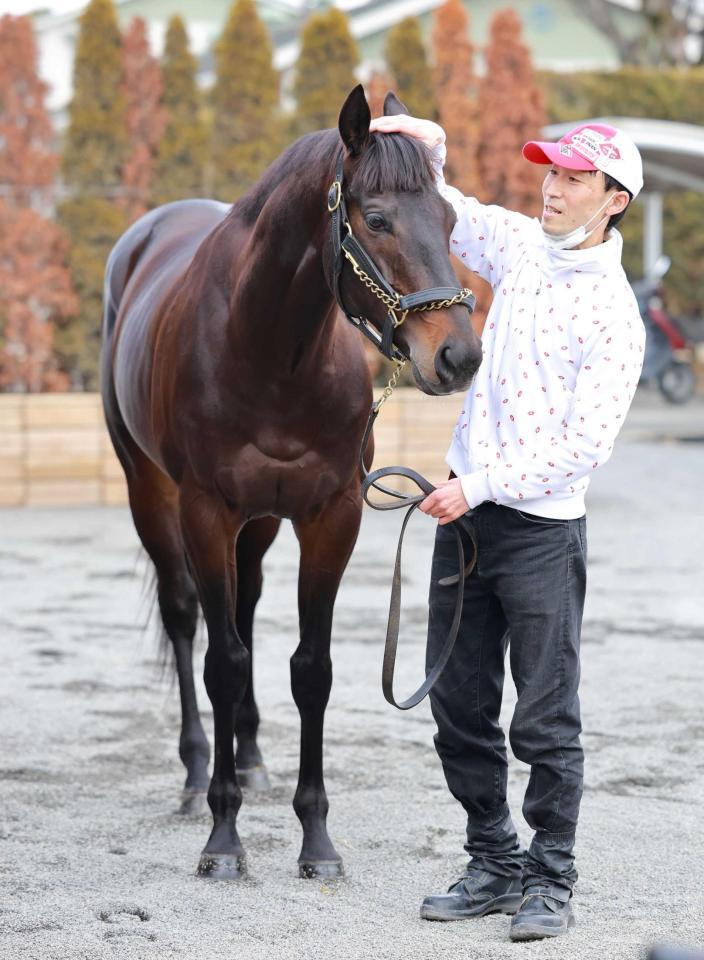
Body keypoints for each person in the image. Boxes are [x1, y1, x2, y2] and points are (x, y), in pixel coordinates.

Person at [369, 113, 646, 941]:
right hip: (466, 518)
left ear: (614, 200)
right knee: (457, 704)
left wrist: (479, 486)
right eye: (550, 175)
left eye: (574, 180)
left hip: (538, 534)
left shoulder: (614, 315)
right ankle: (492, 859)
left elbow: (582, 447)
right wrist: (427, 148)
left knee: (545, 719)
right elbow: (443, 207)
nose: (553, 190)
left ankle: (551, 878)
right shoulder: (521, 247)